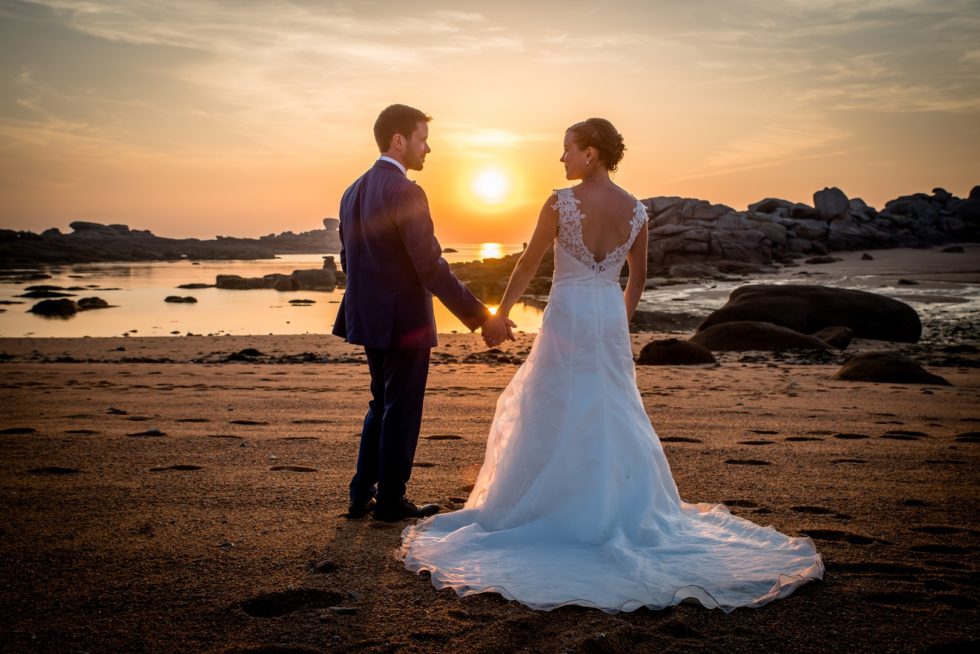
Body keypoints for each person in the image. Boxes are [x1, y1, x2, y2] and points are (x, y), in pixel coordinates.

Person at [399, 118, 824, 611]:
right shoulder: (637, 211)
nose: (561, 159)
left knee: (553, 402)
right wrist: (616, 322)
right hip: (606, 317)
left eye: (567, 150)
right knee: (611, 407)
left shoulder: (560, 202)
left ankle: (551, 508)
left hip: (568, 314)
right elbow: (638, 280)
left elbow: (529, 263)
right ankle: (610, 507)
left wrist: (501, 314)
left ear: (592, 153)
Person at [333, 104, 515, 523]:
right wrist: (482, 316)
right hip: (403, 321)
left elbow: (348, 258)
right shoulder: (406, 191)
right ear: (399, 140)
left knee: (381, 402)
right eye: (422, 138)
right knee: (402, 407)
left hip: (367, 317)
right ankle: (391, 501)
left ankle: (362, 493)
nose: (427, 148)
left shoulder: (352, 190)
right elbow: (430, 265)